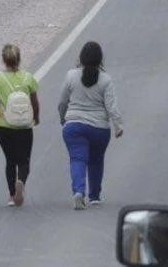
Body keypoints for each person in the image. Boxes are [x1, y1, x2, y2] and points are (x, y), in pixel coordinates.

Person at [58, 41, 124, 210]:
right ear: (100, 59)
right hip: (99, 129)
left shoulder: (71, 76)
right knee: (96, 160)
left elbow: (62, 102)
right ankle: (94, 195)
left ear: (81, 57)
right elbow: (111, 107)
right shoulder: (105, 80)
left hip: (74, 126)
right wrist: (118, 125)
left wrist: (63, 119)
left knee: (77, 158)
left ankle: (78, 191)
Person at [0, 44, 40, 207]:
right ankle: (21, 181)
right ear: (19, 59)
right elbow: (35, 102)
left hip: (4, 125)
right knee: (24, 161)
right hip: (24, 125)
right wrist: (36, 118)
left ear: (4, 60)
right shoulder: (28, 78)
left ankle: (11, 195)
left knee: (10, 160)